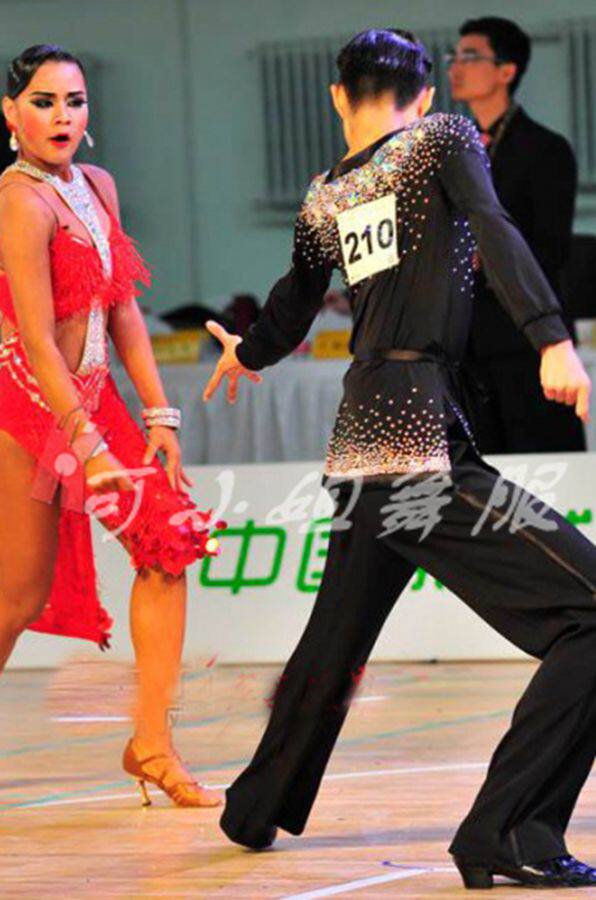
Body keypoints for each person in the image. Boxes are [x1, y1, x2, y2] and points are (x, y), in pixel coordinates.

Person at [203, 29, 596, 889]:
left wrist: (248, 352)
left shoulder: (326, 192)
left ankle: (254, 806)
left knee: (333, 640)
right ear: (423, 99)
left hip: (362, 442)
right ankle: (510, 831)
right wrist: (550, 337)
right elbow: (494, 227)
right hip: (415, 441)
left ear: (337, 97)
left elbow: (293, 303)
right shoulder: (442, 139)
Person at [0, 44, 224, 808]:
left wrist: (159, 414)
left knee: (170, 538)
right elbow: (37, 339)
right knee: (17, 598)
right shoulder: (18, 201)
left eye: (74, 101)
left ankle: (152, 744)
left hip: (96, 399)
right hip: (31, 404)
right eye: (43, 101)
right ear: (10, 113)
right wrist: (86, 443)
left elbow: (123, 304)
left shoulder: (97, 185)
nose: (62, 116)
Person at [447, 17, 585, 454]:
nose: (455, 67)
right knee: (478, 469)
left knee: (542, 463)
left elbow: (551, 248)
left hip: (525, 341)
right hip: (466, 342)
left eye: (470, 56)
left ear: (506, 71)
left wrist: (481, 255)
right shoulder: (453, 151)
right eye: (454, 56)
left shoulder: (545, 149)